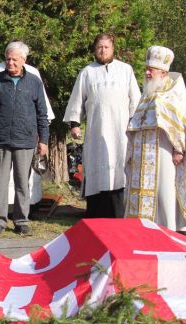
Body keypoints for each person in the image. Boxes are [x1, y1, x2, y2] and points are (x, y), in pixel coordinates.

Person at [63, 33, 141, 218]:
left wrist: (135, 124)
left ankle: (119, 215)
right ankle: (97, 216)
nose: (103, 50)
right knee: (97, 170)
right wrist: (74, 124)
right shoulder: (87, 72)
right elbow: (76, 100)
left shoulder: (126, 70)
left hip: (121, 133)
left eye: (106, 47)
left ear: (113, 48)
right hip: (96, 131)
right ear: (95, 49)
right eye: (99, 47)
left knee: (119, 171)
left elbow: (136, 100)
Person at [0, 41, 48, 236]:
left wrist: (43, 139)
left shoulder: (34, 82)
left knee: (22, 183)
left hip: (26, 140)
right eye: (7, 59)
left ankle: (21, 220)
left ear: (24, 61)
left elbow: (41, 113)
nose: (10, 62)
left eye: (14, 59)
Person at [125, 46, 186, 234]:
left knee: (165, 191)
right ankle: (143, 230)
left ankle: (169, 230)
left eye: (151, 70)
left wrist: (178, 149)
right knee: (143, 191)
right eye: (147, 69)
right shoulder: (147, 94)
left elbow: (179, 122)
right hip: (143, 153)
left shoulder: (174, 93)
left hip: (164, 151)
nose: (147, 73)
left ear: (163, 72)